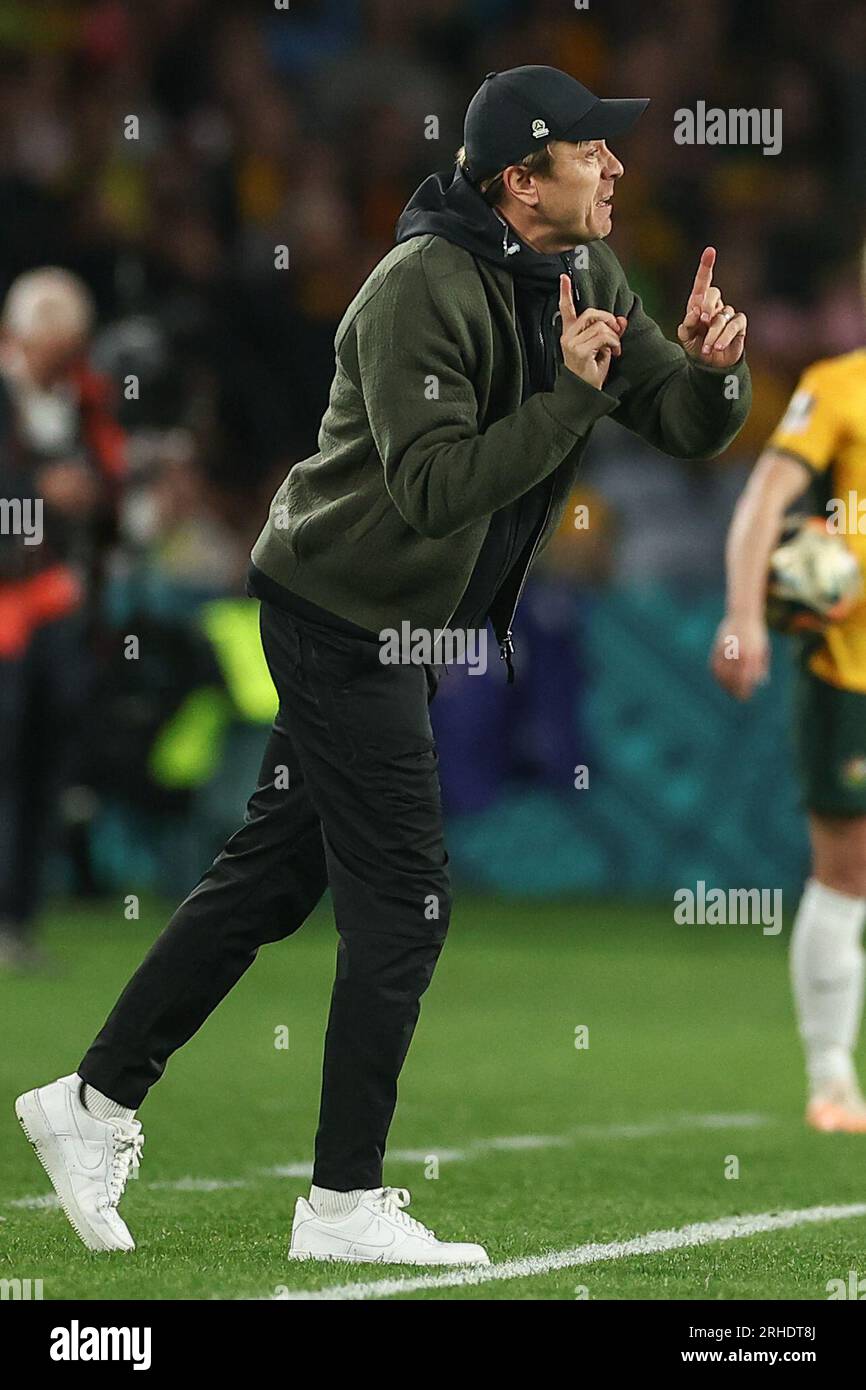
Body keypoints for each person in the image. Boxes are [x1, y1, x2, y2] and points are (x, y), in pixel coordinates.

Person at [17, 66, 750, 1264]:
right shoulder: (417, 287)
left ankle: (90, 1102)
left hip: (393, 626)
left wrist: (713, 369)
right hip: (338, 611)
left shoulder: (584, 269)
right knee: (405, 899)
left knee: (269, 880)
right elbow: (431, 491)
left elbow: (679, 418)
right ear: (520, 180)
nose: (616, 166)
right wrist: (569, 394)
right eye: (589, 151)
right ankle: (341, 1205)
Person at [711, 263, 866, 1133]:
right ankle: (833, 1076)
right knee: (848, 872)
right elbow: (767, 495)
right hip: (849, 672)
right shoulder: (840, 388)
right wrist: (744, 612)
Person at [0, 268, 125, 969]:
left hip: (59, 611)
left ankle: (15, 920)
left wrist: (96, 496)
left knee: (43, 767)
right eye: (57, 347)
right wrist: (38, 493)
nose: (66, 360)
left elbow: (110, 488)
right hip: (6, 610)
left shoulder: (84, 403)